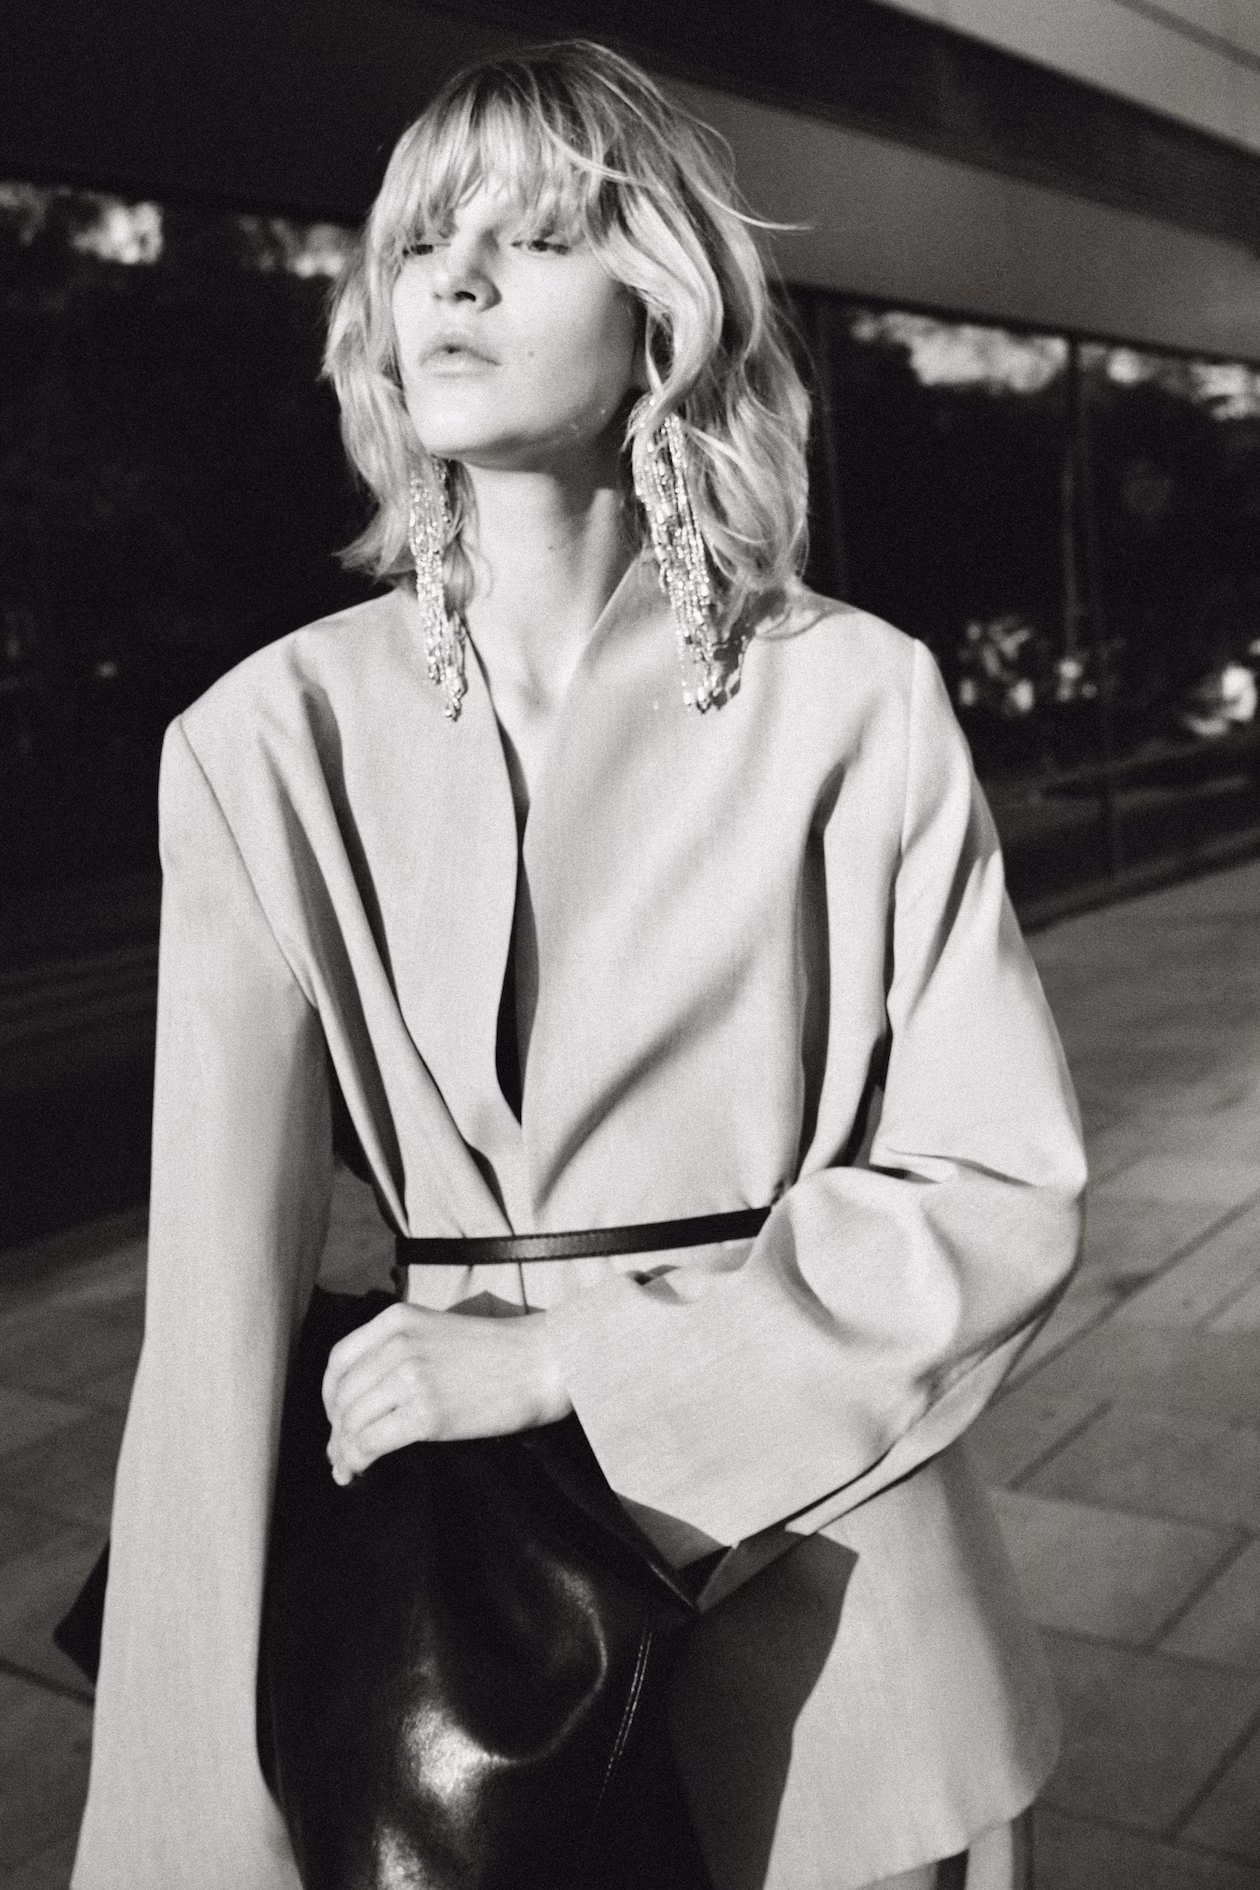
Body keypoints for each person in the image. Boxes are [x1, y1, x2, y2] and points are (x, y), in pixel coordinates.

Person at [72, 40, 1086, 1890]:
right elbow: (212, 1323)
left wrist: (576, 1359)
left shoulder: (856, 697)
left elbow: (999, 1183)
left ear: (663, 314)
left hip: (837, 1599)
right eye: (419, 242)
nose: (452, 282)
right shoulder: (264, 739)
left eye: (529, 238)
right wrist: (183, 1810)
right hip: (460, 1646)